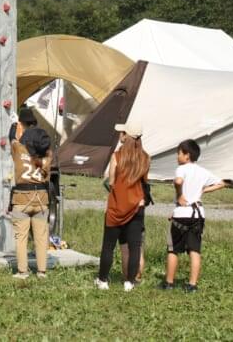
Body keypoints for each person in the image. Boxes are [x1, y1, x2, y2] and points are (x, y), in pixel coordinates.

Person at [161, 139, 225, 293]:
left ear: (187, 155)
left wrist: (180, 195)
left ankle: (169, 283)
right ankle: (192, 285)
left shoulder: (181, 169)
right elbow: (222, 183)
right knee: (194, 250)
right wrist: (203, 191)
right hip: (197, 214)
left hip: (182, 213)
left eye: (179, 154)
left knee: (173, 249)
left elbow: (178, 181)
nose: (177, 157)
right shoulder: (203, 171)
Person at [96, 122, 150, 292]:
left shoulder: (117, 156)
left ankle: (103, 280)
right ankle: (130, 282)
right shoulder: (146, 158)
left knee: (108, 246)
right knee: (135, 247)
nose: (120, 135)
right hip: (137, 207)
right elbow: (144, 182)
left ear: (127, 136)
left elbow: (111, 181)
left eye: (122, 133)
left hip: (116, 206)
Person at [9, 108, 52, 281]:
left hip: (21, 198)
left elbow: (12, 139)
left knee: (21, 238)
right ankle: (41, 272)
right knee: (41, 238)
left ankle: (22, 271)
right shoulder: (48, 156)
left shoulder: (19, 150)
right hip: (42, 199)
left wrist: (14, 124)